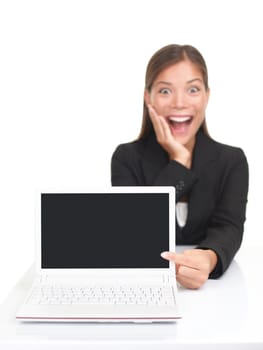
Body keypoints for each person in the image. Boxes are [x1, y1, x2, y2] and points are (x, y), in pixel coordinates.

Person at [111, 44, 249, 289]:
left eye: (193, 89)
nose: (179, 103)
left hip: (217, 293)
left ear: (207, 95)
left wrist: (208, 258)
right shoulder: (126, 158)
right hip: (144, 288)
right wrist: (179, 162)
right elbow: (133, 231)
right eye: (165, 91)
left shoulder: (232, 161)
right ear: (148, 98)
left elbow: (228, 227)